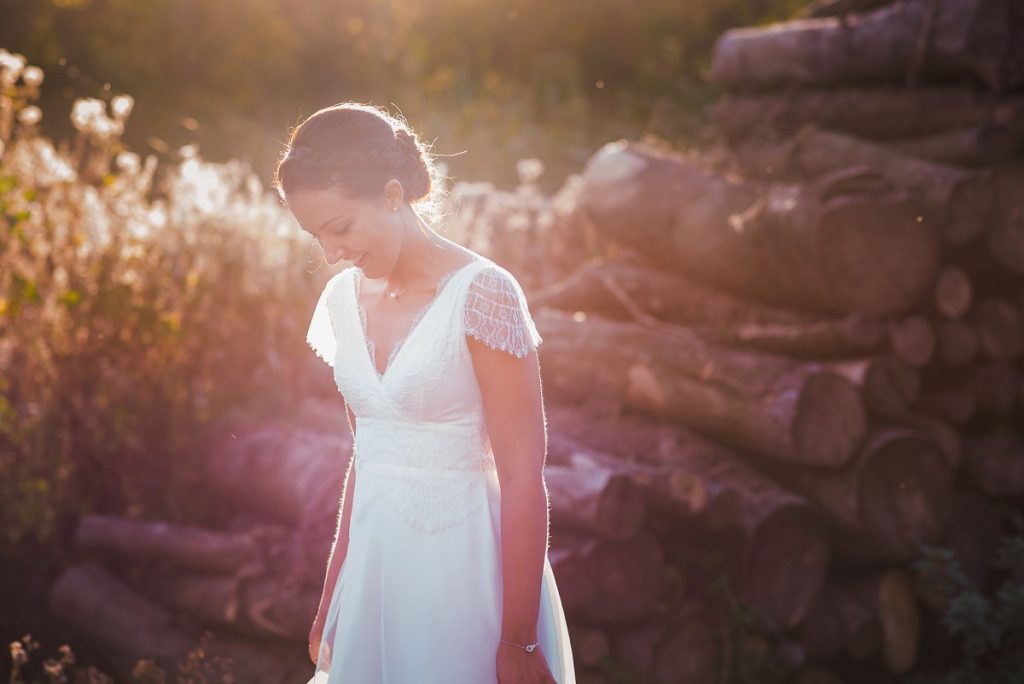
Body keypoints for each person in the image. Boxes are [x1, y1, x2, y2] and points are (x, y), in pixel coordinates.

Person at [273, 102, 576, 684]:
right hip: (376, 575)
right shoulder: (342, 301)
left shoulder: (483, 294)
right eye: (316, 236)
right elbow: (368, 455)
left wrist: (518, 638)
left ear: (392, 195)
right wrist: (334, 595)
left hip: (464, 575)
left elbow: (521, 476)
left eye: (339, 229)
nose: (331, 254)